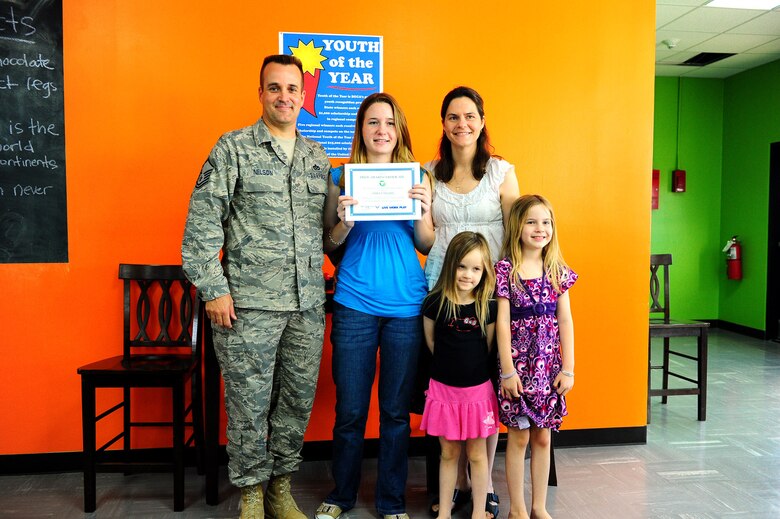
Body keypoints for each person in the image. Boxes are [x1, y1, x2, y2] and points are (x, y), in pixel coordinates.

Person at [181, 54, 331, 519]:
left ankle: (280, 489)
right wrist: (213, 289)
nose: (284, 96)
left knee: (296, 402)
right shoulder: (233, 149)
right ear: (261, 93)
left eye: (292, 88)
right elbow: (201, 226)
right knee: (248, 405)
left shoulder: (317, 157)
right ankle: (250, 493)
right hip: (247, 307)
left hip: (307, 306)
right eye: (275, 87)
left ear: (302, 96)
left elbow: (325, 232)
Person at [315, 92, 433, 519]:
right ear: (361, 129)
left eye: (389, 122)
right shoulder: (340, 177)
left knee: (396, 413)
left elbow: (426, 244)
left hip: (406, 305)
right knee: (350, 410)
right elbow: (329, 245)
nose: (381, 130)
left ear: (399, 130)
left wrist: (423, 211)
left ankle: (391, 502)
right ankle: (341, 496)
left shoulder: (418, 176)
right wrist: (345, 223)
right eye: (372, 122)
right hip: (354, 304)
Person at [423, 86, 520, 519]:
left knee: (485, 384)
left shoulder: (501, 172)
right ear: (443, 124)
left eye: (469, 116)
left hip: (490, 291)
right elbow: (425, 239)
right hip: (443, 289)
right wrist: (416, 211)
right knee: (449, 379)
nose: (461, 124)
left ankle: (484, 484)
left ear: (482, 122)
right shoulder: (429, 173)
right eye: (453, 117)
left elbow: (516, 231)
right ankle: (457, 484)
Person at [495, 195, 577, 519]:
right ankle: (516, 509)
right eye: (531, 221)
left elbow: (565, 320)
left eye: (545, 222)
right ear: (517, 227)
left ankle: (538, 507)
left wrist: (568, 369)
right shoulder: (505, 270)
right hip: (516, 371)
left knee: (543, 438)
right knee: (518, 438)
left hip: (548, 371)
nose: (539, 228)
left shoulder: (557, 271)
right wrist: (507, 371)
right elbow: (502, 322)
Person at [420, 231, 499, 519]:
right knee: (449, 453)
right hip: (443, 392)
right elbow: (431, 343)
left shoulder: (489, 306)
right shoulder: (434, 303)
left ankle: (478, 512)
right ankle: (444, 513)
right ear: (450, 264)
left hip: (477, 394)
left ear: (484, 270)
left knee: (477, 455)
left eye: (476, 268)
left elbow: (488, 348)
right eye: (462, 266)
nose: (468, 274)